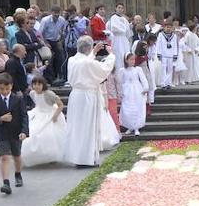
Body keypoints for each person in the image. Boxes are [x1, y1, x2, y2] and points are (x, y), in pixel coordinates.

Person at [62, 36, 118, 167]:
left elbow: (86, 62)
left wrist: (93, 52)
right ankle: (85, 159)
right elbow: (104, 68)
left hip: (75, 95)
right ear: (88, 48)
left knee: (77, 127)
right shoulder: (87, 62)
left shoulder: (72, 60)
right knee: (87, 128)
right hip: (87, 96)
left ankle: (77, 156)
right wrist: (111, 55)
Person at [0, 73, 32, 195]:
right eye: (1, 89)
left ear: (11, 86)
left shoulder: (18, 99)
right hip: (2, 133)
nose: (4, 91)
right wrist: (0, 119)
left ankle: (18, 174)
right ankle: (6, 183)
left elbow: (24, 115)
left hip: (16, 132)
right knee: (4, 157)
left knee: (16, 156)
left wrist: (24, 131)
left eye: (7, 89)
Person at [22, 76, 67, 167]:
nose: (37, 86)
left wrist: (55, 116)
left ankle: (52, 155)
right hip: (38, 114)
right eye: (34, 84)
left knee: (49, 135)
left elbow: (60, 105)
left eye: (39, 84)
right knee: (33, 132)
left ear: (43, 85)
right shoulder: (32, 93)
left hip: (50, 114)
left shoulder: (49, 94)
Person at [117, 51, 150, 137]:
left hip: (137, 91)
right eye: (131, 59)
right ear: (126, 60)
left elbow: (143, 79)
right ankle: (129, 126)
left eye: (133, 59)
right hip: (127, 92)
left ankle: (136, 127)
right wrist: (120, 92)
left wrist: (145, 88)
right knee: (127, 109)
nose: (133, 61)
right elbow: (120, 82)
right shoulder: (122, 70)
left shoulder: (138, 69)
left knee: (137, 108)